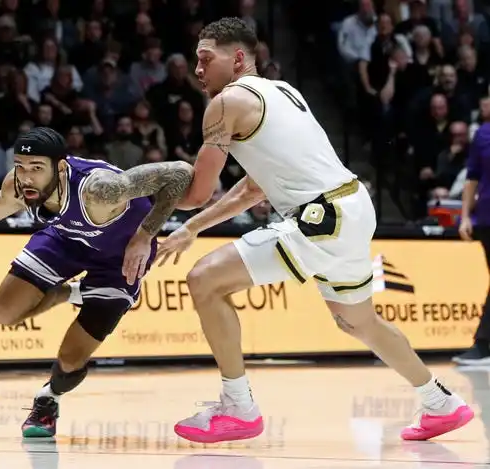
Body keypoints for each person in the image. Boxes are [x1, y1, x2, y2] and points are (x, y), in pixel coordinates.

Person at [156, 17, 474, 444]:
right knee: (359, 321)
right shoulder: (283, 90)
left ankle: (239, 408)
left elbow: (198, 191)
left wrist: (134, 194)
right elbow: (252, 188)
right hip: (353, 206)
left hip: (322, 217)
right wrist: (191, 229)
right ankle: (441, 402)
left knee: (203, 280)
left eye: (205, 59)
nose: (197, 69)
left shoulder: (226, 103)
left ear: (235, 59)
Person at [0, 127, 193, 438]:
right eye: (20, 167)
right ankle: (68, 292)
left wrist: (146, 234)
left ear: (61, 167)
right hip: (66, 239)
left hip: (119, 255)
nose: (26, 176)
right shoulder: (19, 185)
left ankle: (48, 398)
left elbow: (179, 172)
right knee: (4, 313)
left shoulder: (100, 189)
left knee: (71, 359)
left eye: (37, 168)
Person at [455, 118, 490, 364]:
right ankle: (483, 345)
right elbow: (472, 177)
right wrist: (465, 216)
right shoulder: (484, 134)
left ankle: (483, 344)